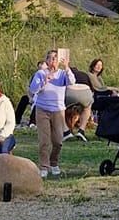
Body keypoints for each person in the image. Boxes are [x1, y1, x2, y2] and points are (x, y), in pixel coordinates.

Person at [28, 49, 70, 177]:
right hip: (42, 110)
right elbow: (33, 89)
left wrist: (67, 67)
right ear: (47, 61)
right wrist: (45, 80)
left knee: (58, 140)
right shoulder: (40, 73)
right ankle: (44, 166)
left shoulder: (63, 74)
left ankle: (54, 162)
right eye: (51, 58)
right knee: (44, 140)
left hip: (58, 110)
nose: (53, 61)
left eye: (56, 59)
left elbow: (72, 82)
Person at [59, 46, 96, 139]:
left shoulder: (63, 73)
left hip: (71, 92)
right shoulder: (84, 74)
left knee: (60, 107)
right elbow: (92, 90)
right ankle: (82, 130)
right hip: (85, 92)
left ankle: (66, 130)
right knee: (88, 107)